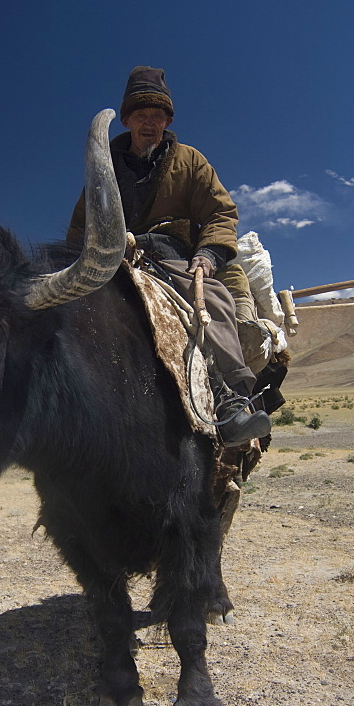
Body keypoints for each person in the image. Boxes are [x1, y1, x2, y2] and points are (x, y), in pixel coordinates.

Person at [67, 66, 271, 447]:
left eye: (157, 116)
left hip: (174, 256)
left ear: (168, 120)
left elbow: (219, 213)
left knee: (213, 301)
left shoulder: (190, 160)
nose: (149, 124)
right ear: (126, 120)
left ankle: (230, 402)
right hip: (115, 261)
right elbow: (82, 227)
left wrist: (209, 254)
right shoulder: (103, 169)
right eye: (141, 116)